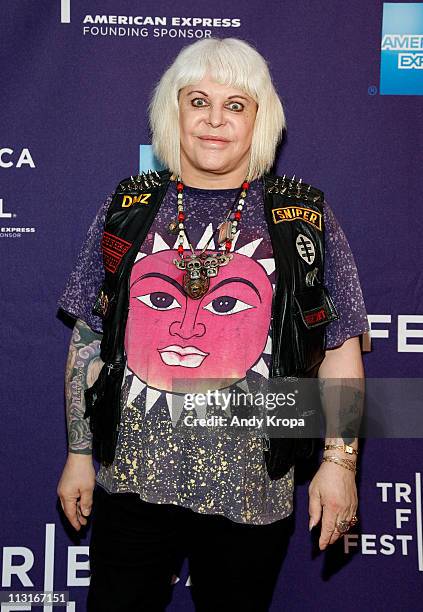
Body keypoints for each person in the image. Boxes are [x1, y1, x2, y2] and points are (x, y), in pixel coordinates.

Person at [56, 37, 369, 611]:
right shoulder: (128, 207)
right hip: (131, 484)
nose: (214, 120)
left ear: (261, 119)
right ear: (172, 113)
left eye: (236, 105)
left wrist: (338, 463)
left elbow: (340, 352)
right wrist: (79, 453)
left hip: (253, 492)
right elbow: (88, 342)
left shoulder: (304, 217)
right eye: (198, 101)